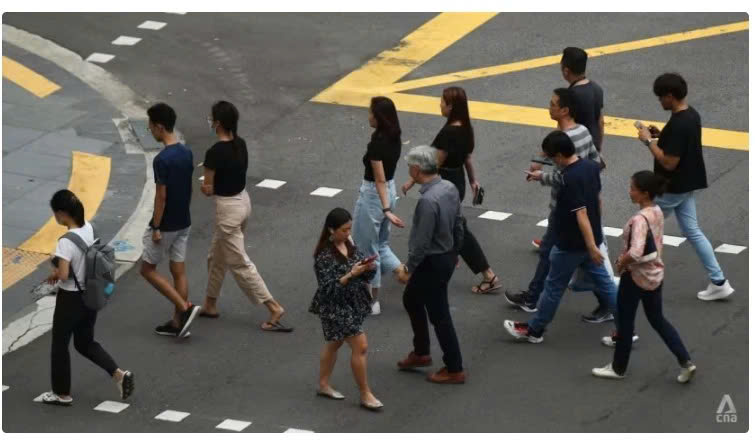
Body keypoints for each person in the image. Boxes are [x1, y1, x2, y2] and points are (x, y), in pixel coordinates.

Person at [507, 88, 615, 323]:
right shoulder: (583, 132)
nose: (549, 106)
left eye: (553, 103)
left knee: (569, 259)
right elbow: (596, 163)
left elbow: (566, 177)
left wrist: (541, 176)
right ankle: (535, 297)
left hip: (568, 208)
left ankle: (536, 303)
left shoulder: (570, 139)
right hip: (574, 206)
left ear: (564, 109)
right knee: (564, 256)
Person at [636, 73, 733, 301]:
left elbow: (669, 162)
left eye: (661, 97)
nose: (660, 101)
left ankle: (638, 278)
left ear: (670, 96)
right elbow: (680, 144)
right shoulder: (690, 115)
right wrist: (662, 135)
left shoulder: (679, 123)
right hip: (687, 185)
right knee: (692, 231)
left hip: (671, 188)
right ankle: (718, 280)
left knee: (642, 229)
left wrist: (648, 141)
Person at [592, 171, 696, 383]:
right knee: (658, 320)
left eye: (632, 188)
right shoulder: (656, 211)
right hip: (655, 275)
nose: (629, 192)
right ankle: (685, 361)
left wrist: (622, 262)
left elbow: (637, 251)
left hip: (635, 278)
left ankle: (618, 367)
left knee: (626, 321)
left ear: (644, 193)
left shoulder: (639, 219)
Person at [199, 100, 292, 332]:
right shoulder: (241, 144)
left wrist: (204, 186)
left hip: (228, 209)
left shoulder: (214, 152)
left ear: (218, 123)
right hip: (243, 202)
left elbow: (208, 188)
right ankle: (210, 303)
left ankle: (273, 307)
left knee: (239, 263)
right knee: (216, 256)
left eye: (211, 118)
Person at [402, 86, 500, 294]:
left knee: (449, 226)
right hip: (459, 180)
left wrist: (412, 180)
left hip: (444, 180)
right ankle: (449, 258)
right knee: (449, 225)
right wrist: (473, 180)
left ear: (451, 106)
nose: (439, 104)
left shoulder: (449, 132)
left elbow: (435, 163)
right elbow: (467, 158)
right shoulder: (466, 127)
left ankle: (487, 274)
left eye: (442, 101)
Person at [41, 189, 134, 406]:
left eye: (55, 213)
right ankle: (118, 374)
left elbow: (64, 275)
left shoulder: (65, 242)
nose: (55, 217)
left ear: (63, 214)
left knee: (60, 345)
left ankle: (61, 393)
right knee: (85, 343)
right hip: (90, 296)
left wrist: (55, 271)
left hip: (70, 299)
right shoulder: (89, 228)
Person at [396, 145, 466, 384]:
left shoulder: (427, 201)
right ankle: (421, 352)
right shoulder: (449, 187)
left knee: (439, 314)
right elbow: (459, 222)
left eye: (409, 168)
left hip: (431, 261)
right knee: (412, 299)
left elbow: (421, 242)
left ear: (416, 170)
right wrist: (455, 251)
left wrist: (409, 268)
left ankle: (454, 367)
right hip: (446, 255)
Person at [310, 208, 383, 411]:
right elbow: (328, 289)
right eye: (344, 230)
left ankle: (323, 384)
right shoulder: (323, 256)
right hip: (336, 307)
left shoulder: (350, 244)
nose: (348, 234)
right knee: (360, 346)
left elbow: (363, 274)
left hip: (352, 303)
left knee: (335, 343)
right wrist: (351, 274)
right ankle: (365, 394)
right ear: (331, 230)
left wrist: (369, 268)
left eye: (349, 229)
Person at [139, 102, 201, 338]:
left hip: (166, 225)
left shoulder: (162, 160)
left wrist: (156, 226)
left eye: (150, 127)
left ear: (159, 126)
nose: (150, 131)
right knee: (179, 271)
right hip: (184, 220)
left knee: (147, 269)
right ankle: (177, 323)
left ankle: (184, 308)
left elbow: (161, 197)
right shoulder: (187, 153)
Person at [351, 97, 405, 316]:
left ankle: (371, 300)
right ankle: (402, 271)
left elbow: (378, 179)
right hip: (389, 192)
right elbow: (386, 180)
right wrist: (388, 207)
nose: (368, 116)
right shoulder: (395, 137)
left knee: (366, 248)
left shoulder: (377, 144)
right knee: (380, 243)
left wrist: (385, 210)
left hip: (374, 196)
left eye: (371, 112)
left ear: (379, 117)